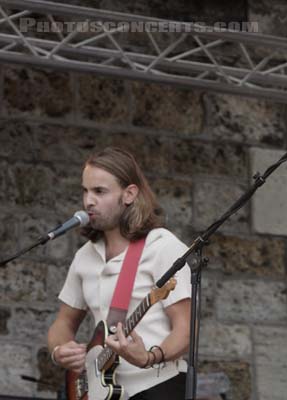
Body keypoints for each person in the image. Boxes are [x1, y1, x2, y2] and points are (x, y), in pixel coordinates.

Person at [47, 147, 192, 399]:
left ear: (129, 194)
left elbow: (186, 328)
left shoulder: (162, 247)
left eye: (99, 191)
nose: (88, 201)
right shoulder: (85, 256)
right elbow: (63, 322)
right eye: (85, 190)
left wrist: (149, 357)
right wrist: (59, 350)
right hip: (100, 389)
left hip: (158, 385)